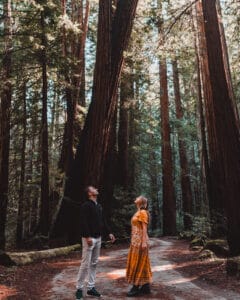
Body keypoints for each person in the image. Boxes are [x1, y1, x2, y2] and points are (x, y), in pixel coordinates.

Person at [75, 186, 116, 300]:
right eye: (93, 188)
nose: (96, 189)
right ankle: (79, 289)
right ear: (89, 193)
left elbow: (103, 221)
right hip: (89, 238)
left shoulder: (99, 206)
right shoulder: (85, 206)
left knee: (94, 263)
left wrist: (109, 233)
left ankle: (91, 288)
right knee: (85, 264)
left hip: (98, 238)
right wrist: (87, 236)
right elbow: (83, 222)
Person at [126, 195, 152, 297]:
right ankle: (146, 286)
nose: (135, 198)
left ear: (141, 202)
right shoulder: (138, 212)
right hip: (135, 242)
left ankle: (135, 287)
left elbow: (144, 228)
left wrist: (144, 242)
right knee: (143, 263)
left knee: (138, 263)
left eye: (138, 198)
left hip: (141, 242)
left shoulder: (143, 212)